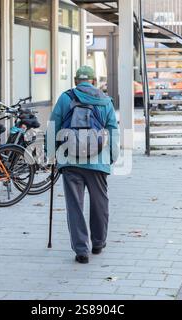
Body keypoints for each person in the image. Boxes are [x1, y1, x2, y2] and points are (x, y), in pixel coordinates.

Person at [46, 66, 120, 264]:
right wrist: (112, 155)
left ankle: (81, 250)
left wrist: (51, 155)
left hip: (70, 160)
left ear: (75, 80)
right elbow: (113, 130)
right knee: (99, 203)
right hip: (98, 162)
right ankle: (98, 243)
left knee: (74, 205)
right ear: (94, 81)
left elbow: (52, 126)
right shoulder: (105, 101)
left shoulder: (65, 98)